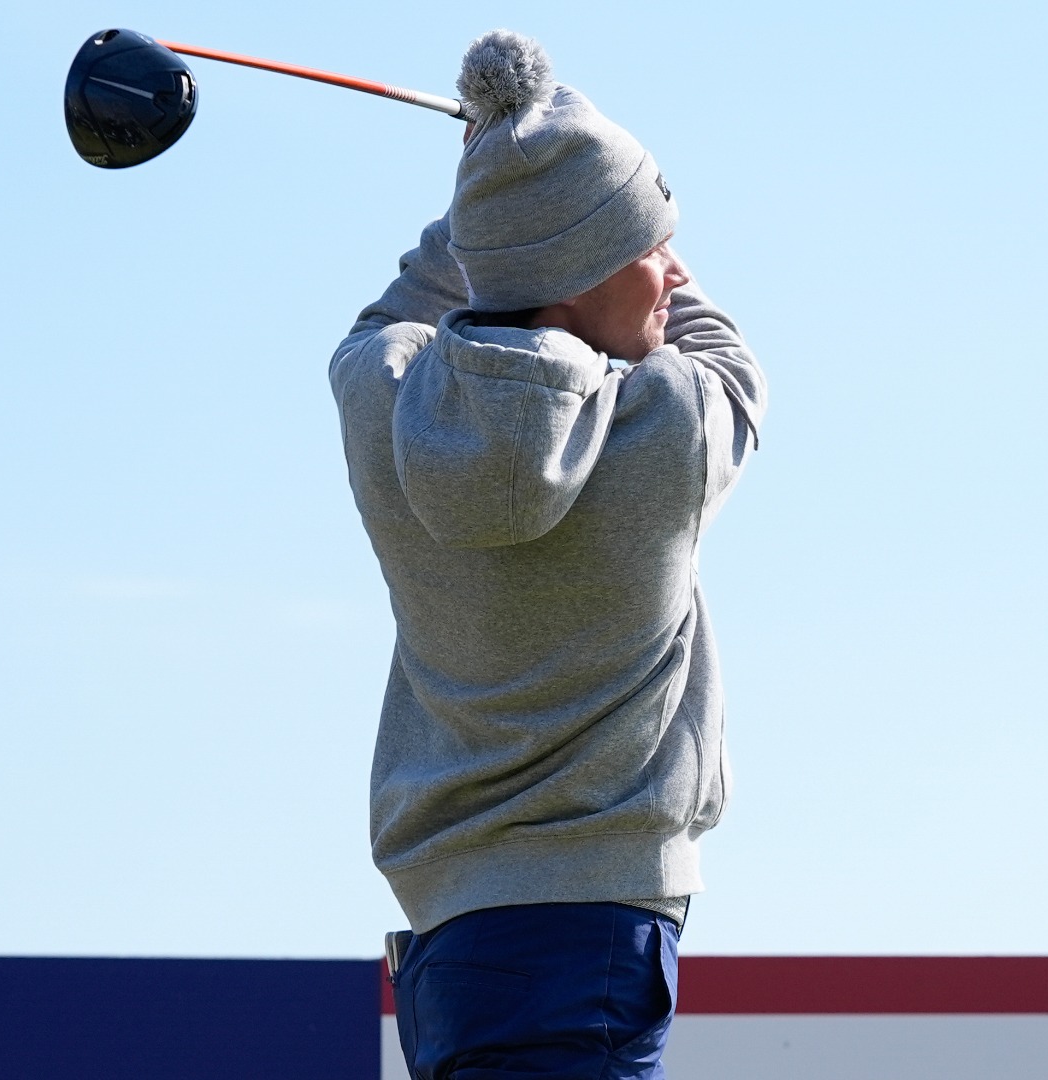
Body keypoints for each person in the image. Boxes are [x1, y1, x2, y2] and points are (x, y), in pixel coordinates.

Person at [327, 29, 765, 1079]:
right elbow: (727, 357)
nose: (672, 266)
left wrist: (501, 177)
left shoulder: (383, 408)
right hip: (596, 932)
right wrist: (517, 152)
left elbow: (402, 312)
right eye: (650, 242)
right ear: (573, 277)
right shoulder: (663, 431)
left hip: (449, 936)